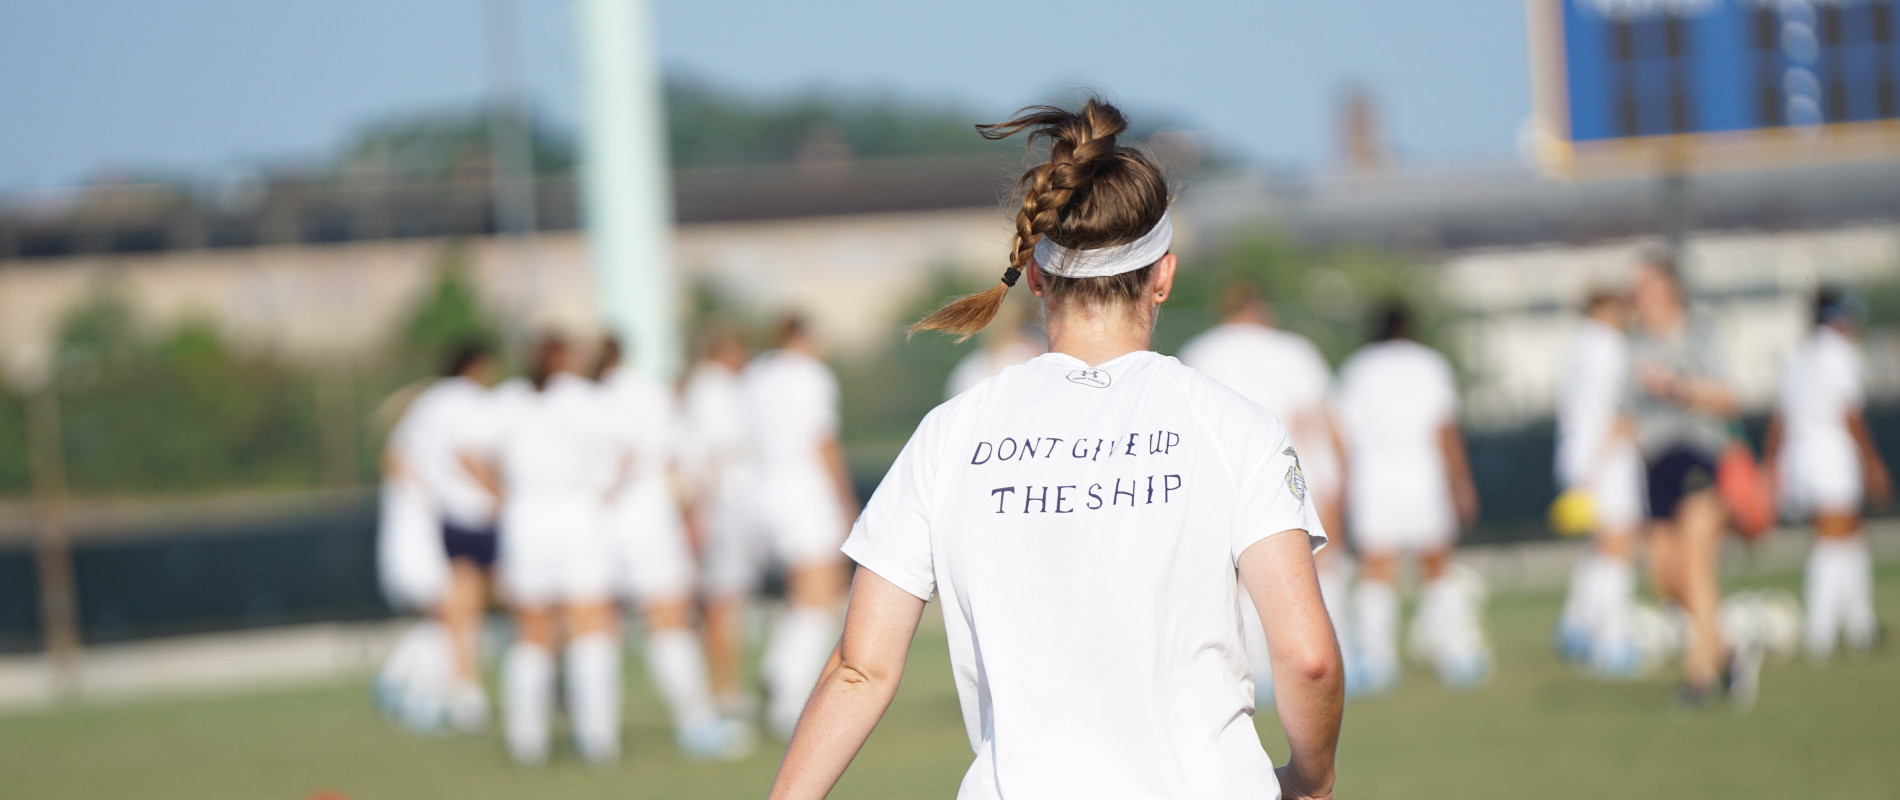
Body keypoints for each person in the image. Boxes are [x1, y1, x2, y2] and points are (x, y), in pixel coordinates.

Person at [768, 98, 1342, 800]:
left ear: (1036, 277)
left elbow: (861, 668)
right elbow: (1308, 658)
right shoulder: (1233, 425)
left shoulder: (952, 433)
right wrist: (1312, 783)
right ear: (1163, 275)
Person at [1179, 281, 1357, 699]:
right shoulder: (1293, 349)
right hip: (1297, 468)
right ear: (1259, 311)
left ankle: (1254, 667)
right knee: (1321, 565)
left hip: (1226, 474)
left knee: (1237, 576)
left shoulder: (1200, 351)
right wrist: (1343, 475)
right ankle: (1337, 654)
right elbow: (1321, 417)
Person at [594, 337, 752, 759]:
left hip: (586, 522)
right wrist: (692, 514)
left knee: (592, 630)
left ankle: (596, 738)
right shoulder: (643, 393)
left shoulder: (573, 395)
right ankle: (697, 725)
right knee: (668, 622)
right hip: (644, 518)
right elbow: (671, 459)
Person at [1624, 249, 1759, 710]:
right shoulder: (1634, 344)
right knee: (1665, 577)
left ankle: (1696, 679)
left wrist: (1676, 387)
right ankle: (1728, 649)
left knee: (1697, 563)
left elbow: (1727, 397)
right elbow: (1629, 413)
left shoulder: (1700, 333)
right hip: (1656, 461)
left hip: (1699, 453)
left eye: (1643, 286)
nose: (1636, 296)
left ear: (1668, 288)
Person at [1336, 302, 1486, 691]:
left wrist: (1346, 481)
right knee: (1436, 565)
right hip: (1423, 473)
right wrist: (1461, 482)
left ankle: (1375, 661)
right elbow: (1445, 429)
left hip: (1375, 475)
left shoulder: (1358, 369)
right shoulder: (1430, 364)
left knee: (1376, 569)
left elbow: (1341, 431)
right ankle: (1458, 654)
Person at [493, 335, 628, 765]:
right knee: (591, 624)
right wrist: (604, 494)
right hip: (576, 513)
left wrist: (502, 497)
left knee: (532, 631)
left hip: (526, 516)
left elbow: (469, 451)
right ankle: (598, 736)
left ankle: (526, 741)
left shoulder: (510, 398)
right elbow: (627, 449)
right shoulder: (588, 397)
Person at [740, 314, 859, 739]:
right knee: (819, 595)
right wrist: (846, 500)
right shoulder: (810, 375)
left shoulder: (756, 373)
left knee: (801, 592)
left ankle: (778, 670)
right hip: (802, 486)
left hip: (763, 487)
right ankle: (788, 693)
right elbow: (821, 440)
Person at [374, 341, 502, 734]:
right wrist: (502, 496)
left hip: (431, 522)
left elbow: (394, 456)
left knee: (452, 614)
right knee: (458, 612)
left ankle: (419, 689)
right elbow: (466, 456)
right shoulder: (466, 402)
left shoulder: (430, 403)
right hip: (450, 522)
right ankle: (438, 694)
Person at [1765, 287, 1891, 661]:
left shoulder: (1798, 355)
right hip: (1830, 453)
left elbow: (1779, 419)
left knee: (1849, 534)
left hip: (1800, 456)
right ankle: (1819, 632)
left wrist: (1772, 464)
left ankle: (1859, 624)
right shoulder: (1839, 354)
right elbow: (1848, 412)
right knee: (1832, 537)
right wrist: (1872, 460)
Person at [1553, 290, 1649, 677]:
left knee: (1603, 547)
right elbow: (1619, 407)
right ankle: (1609, 641)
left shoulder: (1576, 345)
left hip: (1577, 453)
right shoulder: (1609, 345)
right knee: (1619, 547)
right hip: (1606, 456)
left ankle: (1578, 623)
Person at [680, 323, 763, 717]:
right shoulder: (712, 389)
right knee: (721, 603)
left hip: (726, 504)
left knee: (727, 602)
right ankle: (722, 690)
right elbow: (709, 456)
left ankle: (726, 688)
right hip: (720, 506)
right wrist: (702, 512)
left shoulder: (716, 388)